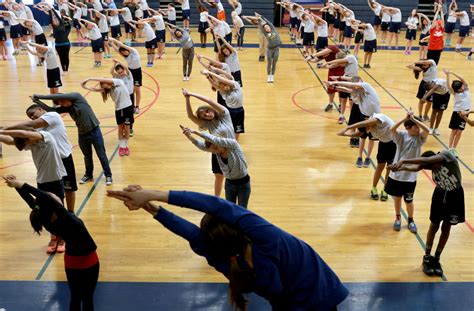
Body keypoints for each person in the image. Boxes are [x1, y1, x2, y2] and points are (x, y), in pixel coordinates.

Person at [107, 186, 349, 310]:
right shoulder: (265, 237)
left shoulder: (220, 257)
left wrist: (151, 205)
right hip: (318, 290)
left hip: (304, 299)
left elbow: (189, 231)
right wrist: (153, 196)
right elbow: (217, 206)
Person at [3, 176, 100, 309]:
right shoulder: (67, 218)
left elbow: (32, 202)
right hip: (89, 262)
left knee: (75, 298)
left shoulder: (47, 220)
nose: (55, 196)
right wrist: (21, 184)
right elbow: (45, 198)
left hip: (71, 262)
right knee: (87, 300)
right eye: (53, 196)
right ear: (54, 206)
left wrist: (16, 186)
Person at [389, 150, 464, 277]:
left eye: (433, 166)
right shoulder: (431, 164)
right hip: (440, 195)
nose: (433, 169)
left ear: (436, 159)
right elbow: (419, 166)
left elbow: (425, 161)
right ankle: (427, 257)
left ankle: (437, 258)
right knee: (434, 226)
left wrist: (403, 161)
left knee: (446, 227)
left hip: (454, 196)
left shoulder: (446, 156)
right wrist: (400, 168)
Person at [0, 128, 67, 253]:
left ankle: (62, 238)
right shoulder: (31, 144)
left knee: (59, 210)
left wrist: (5, 130)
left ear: (29, 138)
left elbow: (24, 133)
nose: (27, 146)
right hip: (41, 181)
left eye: (27, 142)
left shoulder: (46, 138)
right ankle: (53, 237)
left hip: (56, 181)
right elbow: (10, 141)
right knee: (43, 211)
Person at [4, 104, 77, 213]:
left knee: (69, 188)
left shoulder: (53, 115)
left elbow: (31, 125)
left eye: (33, 114)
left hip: (64, 157)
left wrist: (5, 128)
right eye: (30, 117)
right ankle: (58, 213)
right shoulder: (35, 136)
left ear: (40, 109)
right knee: (47, 199)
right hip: (49, 168)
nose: (32, 118)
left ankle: (70, 213)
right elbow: (12, 140)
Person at [32, 92, 113, 186]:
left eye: (62, 101)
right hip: (82, 134)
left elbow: (56, 96)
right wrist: (37, 101)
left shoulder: (78, 98)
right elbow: (51, 110)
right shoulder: (68, 108)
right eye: (60, 103)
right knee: (87, 156)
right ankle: (89, 175)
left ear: (67, 97)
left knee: (101, 154)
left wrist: (39, 96)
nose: (62, 104)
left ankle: (108, 175)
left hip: (95, 131)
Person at [182, 89, 235, 198]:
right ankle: (217, 200)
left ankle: (231, 201)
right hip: (217, 151)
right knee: (219, 177)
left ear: (211, 109)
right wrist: (187, 99)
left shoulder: (225, 116)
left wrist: (191, 93)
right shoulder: (208, 125)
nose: (207, 115)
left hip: (232, 151)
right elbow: (190, 116)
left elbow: (210, 100)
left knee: (232, 178)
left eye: (207, 111)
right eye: (204, 116)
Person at [181, 125, 251, 207]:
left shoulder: (233, 145)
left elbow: (214, 139)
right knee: (230, 209)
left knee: (242, 209)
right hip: (229, 184)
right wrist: (189, 136)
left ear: (219, 142)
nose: (216, 151)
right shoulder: (216, 152)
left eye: (216, 147)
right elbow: (199, 144)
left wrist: (195, 132)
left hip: (243, 184)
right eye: (213, 150)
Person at [337, 113, 396, 202]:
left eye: (367, 126)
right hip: (383, 144)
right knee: (380, 167)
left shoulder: (378, 118)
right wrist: (345, 135)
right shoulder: (368, 129)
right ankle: (374, 188)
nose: (368, 129)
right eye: (367, 128)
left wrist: (348, 127)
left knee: (389, 168)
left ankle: (385, 189)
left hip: (394, 143)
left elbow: (364, 124)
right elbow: (358, 133)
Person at [385, 113, 429, 232]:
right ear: (408, 128)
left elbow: (427, 130)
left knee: (409, 201)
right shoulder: (401, 136)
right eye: (415, 127)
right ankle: (398, 218)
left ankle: (411, 220)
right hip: (397, 175)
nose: (418, 129)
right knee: (397, 198)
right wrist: (404, 118)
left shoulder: (420, 138)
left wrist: (414, 119)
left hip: (410, 177)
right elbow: (392, 129)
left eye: (418, 127)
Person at [326, 78, 380, 169]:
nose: (355, 87)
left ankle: (368, 157)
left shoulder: (366, 86)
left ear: (361, 82)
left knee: (372, 138)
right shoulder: (358, 91)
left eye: (356, 85)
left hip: (375, 118)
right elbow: (347, 89)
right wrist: (334, 86)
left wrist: (333, 82)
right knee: (362, 137)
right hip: (365, 117)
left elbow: (349, 86)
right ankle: (359, 156)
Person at [81, 78, 134, 156]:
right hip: (119, 109)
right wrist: (85, 87)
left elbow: (101, 79)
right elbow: (95, 89)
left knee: (127, 128)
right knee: (120, 128)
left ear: (108, 82)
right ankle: (121, 147)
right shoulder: (109, 90)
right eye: (103, 87)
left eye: (104, 85)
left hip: (128, 108)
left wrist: (90, 78)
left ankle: (126, 146)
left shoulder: (118, 82)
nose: (104, 87)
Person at [109, 37, 142, 114]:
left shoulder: (133, 51)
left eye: (124, 51)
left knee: (137, 90)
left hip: (137, 72)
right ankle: (132, 106)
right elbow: (117, 50)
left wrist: (113, 40)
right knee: (131, 90)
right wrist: (111, 43)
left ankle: (137, 107)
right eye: (122, 53)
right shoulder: (125, 56)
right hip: (130, 72)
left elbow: (121, 45)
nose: (124, 53)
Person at [445, 69, 471, 157]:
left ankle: (454, 148)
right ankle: (449, 148)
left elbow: (462, 79)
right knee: (454, 131)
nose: (463, 86)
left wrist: (452, 72)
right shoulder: (455, 93)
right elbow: (448, 86)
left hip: (465, 113)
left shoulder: (466, 89)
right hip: (456, 113)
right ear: (458, 89)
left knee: (459, 132)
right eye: (461, 87)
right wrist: (447, 76)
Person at [256, 14, 281, 83]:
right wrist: (259, 20)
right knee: (269, 63)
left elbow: (268, 22)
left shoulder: (273, 29)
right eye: (265, 28)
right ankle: (268, 77)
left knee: (274, 63)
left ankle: (272, 76)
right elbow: (261, 27)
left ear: (270, 27)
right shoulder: (266, 33)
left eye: (267, 27)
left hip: (276, 49)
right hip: (270, 49)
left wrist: (261, 17)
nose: (267, 28)